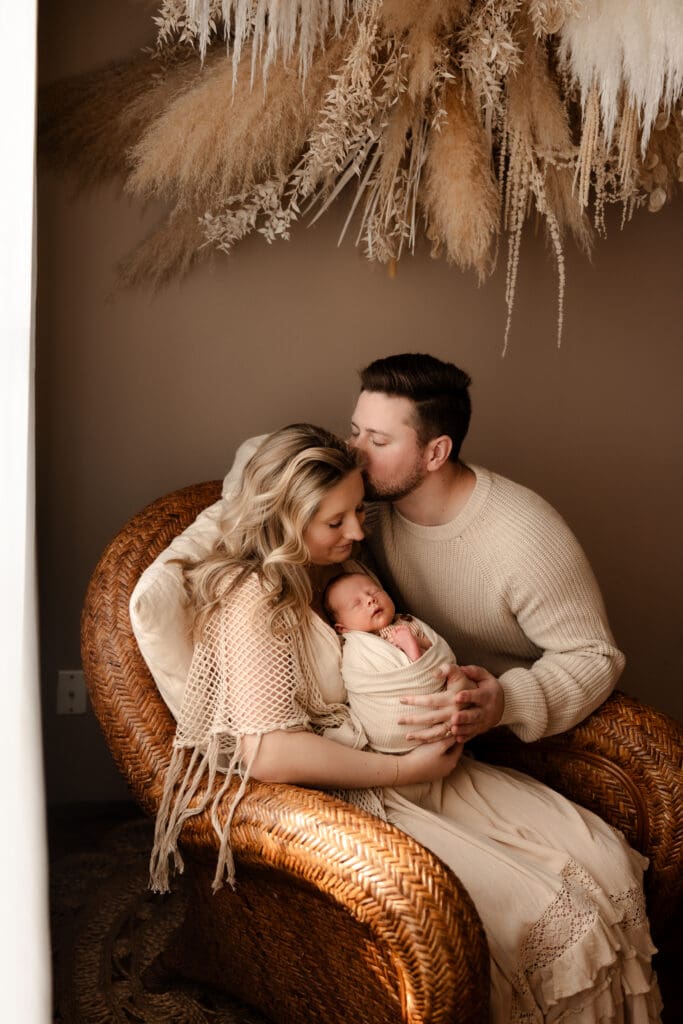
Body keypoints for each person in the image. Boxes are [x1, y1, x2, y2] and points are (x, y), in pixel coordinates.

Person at [149, 423, 661, 1023]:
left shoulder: (328, 567)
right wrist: (403, 767)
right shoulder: (254, 601)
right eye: (335, 521)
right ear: (285, 519)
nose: (359, 531)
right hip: (356, 793)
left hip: (422, 768)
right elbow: (268, 753)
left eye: (357, 510)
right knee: (537, 914)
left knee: (599, 855)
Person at [348, 352, 626, 747]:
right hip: (413, 722)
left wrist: (506, 701)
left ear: (435, 453)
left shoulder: (526, 536)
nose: (355, 453)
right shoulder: (361, 510)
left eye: (377, 440)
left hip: (519, 738)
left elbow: (596, 656)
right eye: (354, 431)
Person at [323, 570, 466, 754]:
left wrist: (419, 643)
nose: (370, 600)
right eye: (356, 604)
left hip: (448, 710)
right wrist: (411, 648)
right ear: (343, 628)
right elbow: (360, 678)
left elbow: (439, 655)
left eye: (374, 592)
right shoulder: (358, 649)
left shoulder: (407, 622)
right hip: (392, 719)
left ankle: (415, 654)